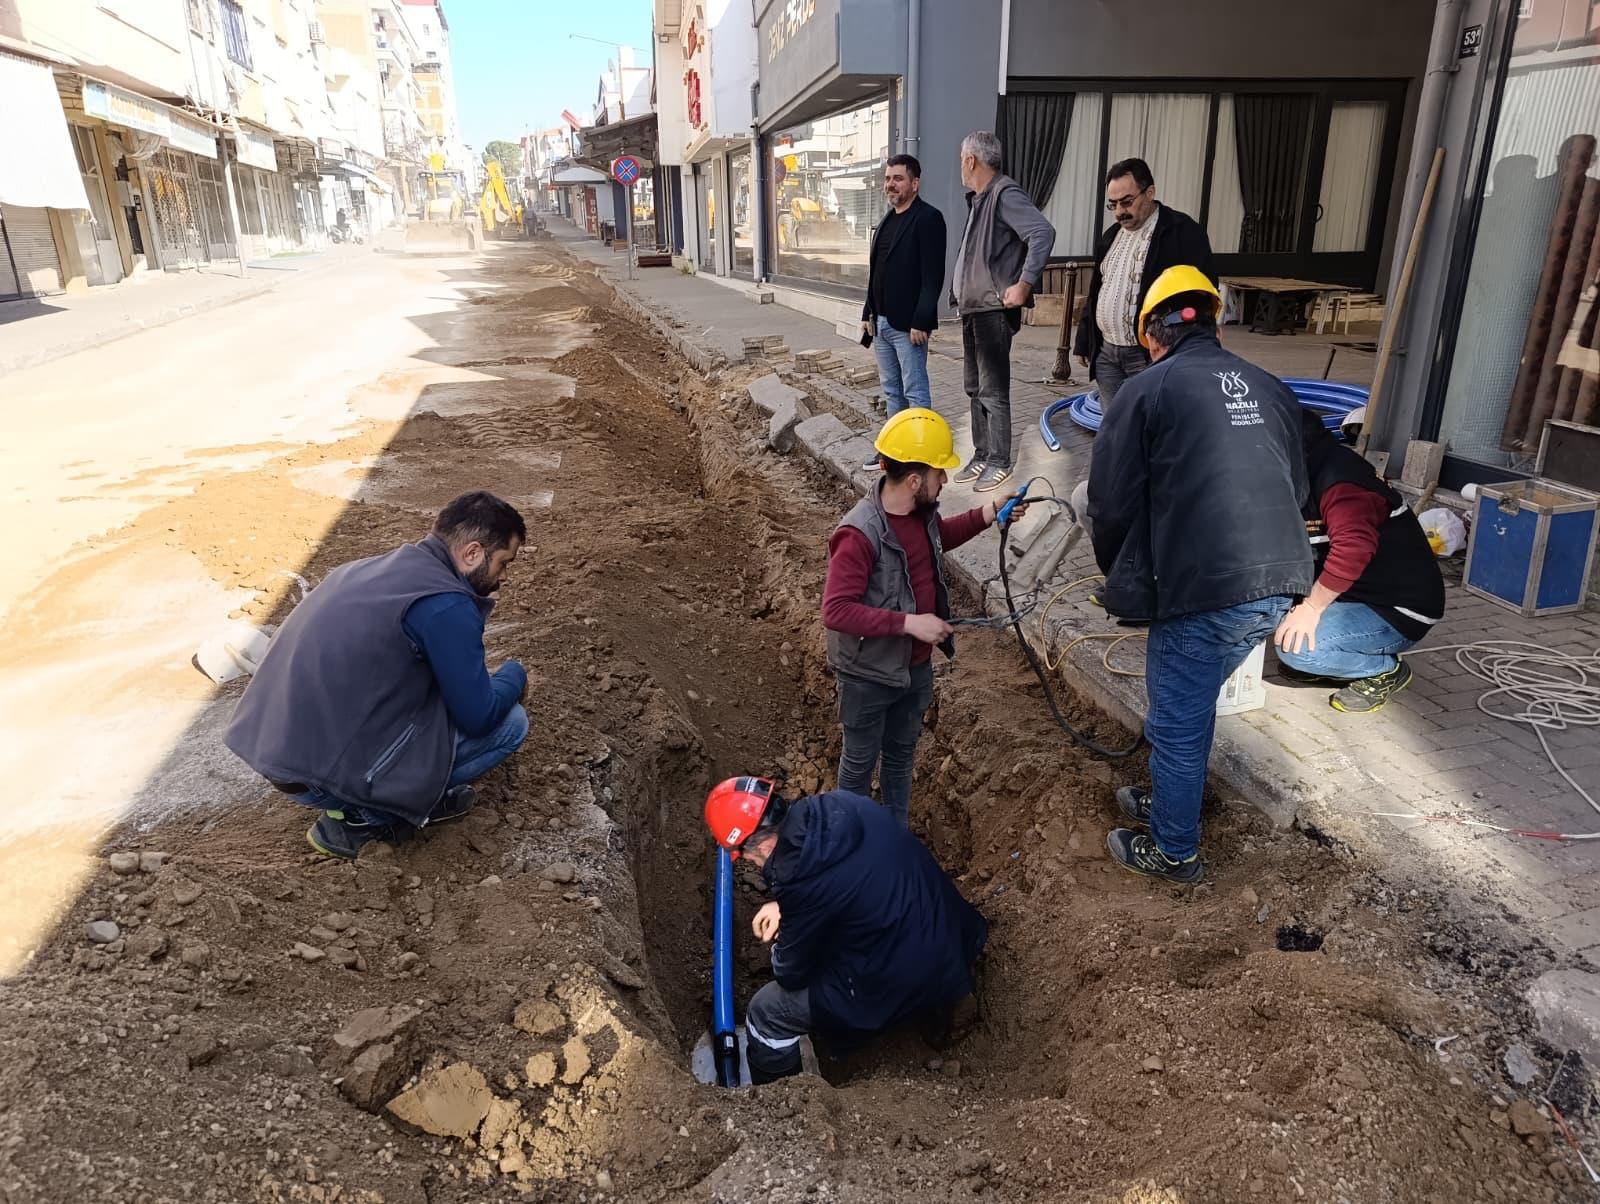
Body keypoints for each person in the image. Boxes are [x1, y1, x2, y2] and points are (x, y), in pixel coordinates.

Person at [1087, 266, 1311, 884]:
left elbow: (1108, 502)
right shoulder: (1269, 386)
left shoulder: (1147, 389)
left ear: (1153, 334)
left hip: (1207, 590)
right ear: (1213, 321)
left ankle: (1174, 851)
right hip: (1284, 581)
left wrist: (1121, 573)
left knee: (1179, 723)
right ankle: (1171, 798)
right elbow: (1297, 486)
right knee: (1189, 704)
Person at [225, 491, 531, 859]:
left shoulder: (364, 569)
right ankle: (369, 819)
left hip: (273, 750)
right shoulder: (446, 604)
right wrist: (515, 675)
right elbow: (479, 717)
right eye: (503, 562)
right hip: (317, 776)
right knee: (511, 723)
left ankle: (363, 801)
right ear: (473, 553)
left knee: (440, 696)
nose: (503, 577)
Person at [703, 777, 988, 1084]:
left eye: (744, 855)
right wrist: (786, 907)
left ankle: (784, 1099)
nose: (749, 862)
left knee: (766, 1014)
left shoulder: (800, 880)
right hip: (949, 931)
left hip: (900, 971)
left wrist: (782, 940)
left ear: (763, 843)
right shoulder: (840, 805)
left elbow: (791, 972)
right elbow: (849, 884)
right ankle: (952, 997)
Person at [823, 408, 1025, 826]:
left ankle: (893, 840)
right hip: (867, 674)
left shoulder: (921, 514)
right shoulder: (859, 533)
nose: (946, 481)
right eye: (939, 474)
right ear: (915, 481)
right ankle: (849, 847)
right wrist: (910, 623)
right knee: (859, 767)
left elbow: (939, 538)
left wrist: (989, 513)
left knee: (900, 757)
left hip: (913, 669)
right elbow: (836, 610)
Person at [1275, 410, 1445, 713]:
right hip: (1355, 594)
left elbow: (1354, 549)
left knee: (1297, 651)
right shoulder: (1309, 467)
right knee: (1266, 614)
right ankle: (1328, 657)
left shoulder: (1342, 484)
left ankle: (1382, 669)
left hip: (1396, 609)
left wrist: (1312, 607)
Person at [949, 130, 1055, 493]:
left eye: (961, 159)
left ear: (971, 160)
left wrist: (1024, 284)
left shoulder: (1004, 194)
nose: (960, 166)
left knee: (992, 390)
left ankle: (999, 461)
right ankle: (982, 454)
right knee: (974, 386)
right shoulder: (981, 199)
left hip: (992, 310)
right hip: (974, 309)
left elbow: (1042, 232)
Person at [1074, 159, 1216, 406]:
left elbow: (1202, 294)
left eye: (1127, 202)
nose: (1119, 212)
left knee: (1155, 427)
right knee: (1116, 429)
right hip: (1108, 354)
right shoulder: (1111, 237)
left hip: (1153, 355)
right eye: (1113, 204)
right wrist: (1085, 341)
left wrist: (1183, 347)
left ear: (1150, 192)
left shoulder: (1182, 232)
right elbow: (1097, 290)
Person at [860, 154, 948, 443]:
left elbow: (932, 276)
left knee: (915, 392)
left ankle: (922, 452)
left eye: (898, 178)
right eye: (887, 179)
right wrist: (866, 313)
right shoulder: (886, 221)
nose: (890, 184)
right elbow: (877, 273)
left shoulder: (928, 218)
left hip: (908, 327)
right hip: (881, 322)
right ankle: (895, 449)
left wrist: (922, 320)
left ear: (915, 183)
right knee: (891, 392)